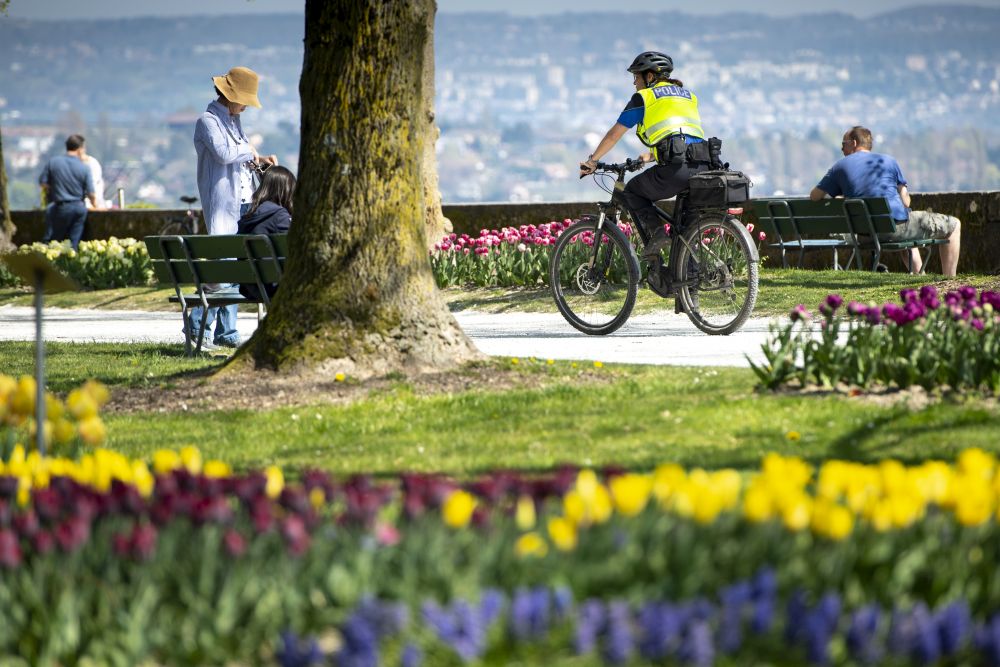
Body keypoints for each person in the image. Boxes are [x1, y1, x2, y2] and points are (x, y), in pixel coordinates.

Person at [579, 51, 712, 264]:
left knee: (632, 191)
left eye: (636, 76)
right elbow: (683, 134)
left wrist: (592, 161)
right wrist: (651, 155)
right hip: (703, 166)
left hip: (676, 170)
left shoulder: (645, 97)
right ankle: (688, 288)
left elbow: (614, 134)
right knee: (684, 233)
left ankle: (657, 233)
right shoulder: (687, 95)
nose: (634, 82)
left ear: (650, 77)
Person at [189, 65, 278, 350]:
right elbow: (225, 153)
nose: (247, 107)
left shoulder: (233, 120)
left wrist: (259, 160)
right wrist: (250, 150)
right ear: (231, 95)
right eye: (245, 101)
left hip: (243, 202)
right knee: (221, 270)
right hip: (223, 205)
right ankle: (196, 326)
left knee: (237, 270)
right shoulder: (208, 121)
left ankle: (226, 333)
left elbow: (240, 157)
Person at [810, 126, 961, 276]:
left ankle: (919, 276)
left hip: (864, 235)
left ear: (854, 143)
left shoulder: (839, 167)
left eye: (843, 144)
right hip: (894, 229)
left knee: (903, 226)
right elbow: (906, 202)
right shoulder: (888, 161)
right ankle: (949, 279)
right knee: (954, 225)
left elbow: (814, 196)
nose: (842, 149)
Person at [237, 165, 295, 301]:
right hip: (273, 285)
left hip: (251, 286)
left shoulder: (248, 217)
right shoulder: (279, 216)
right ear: (285, 190)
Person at [38, 134, 102, 249]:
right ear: (80, 149)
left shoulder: (53, 162)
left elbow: (43, 183)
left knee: (54, 243)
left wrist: (54, 189)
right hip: (78, 209)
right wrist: (95, 205)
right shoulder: (84, 167)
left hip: (59, 207)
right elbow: (91, 193)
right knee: (73, 244)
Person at [80, 144, 109, 209]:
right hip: (90, 204)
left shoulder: (92, 163)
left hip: (92, 204)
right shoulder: (90, 163)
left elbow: (92, 186)